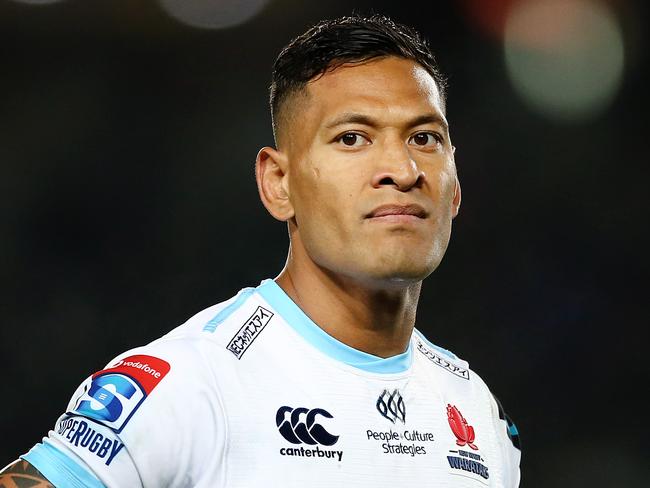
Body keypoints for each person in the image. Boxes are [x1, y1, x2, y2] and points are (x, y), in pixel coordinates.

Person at [1, 14, 521, 487]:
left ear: (455, 188)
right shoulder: (188, 386)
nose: (402, 170)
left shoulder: (474, 412)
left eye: (425, 138)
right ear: (278, 183)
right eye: (352, 138)